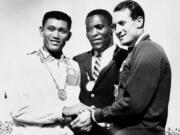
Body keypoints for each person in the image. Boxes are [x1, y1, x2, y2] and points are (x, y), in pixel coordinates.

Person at [67, 1, 172, 135]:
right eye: (115, 26)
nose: (117, 31)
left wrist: (94, 115)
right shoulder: (136, 51)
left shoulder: (148, 50)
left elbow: (133, 104)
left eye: (122, 24)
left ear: (139, 21)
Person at [7, 11, 80, 135]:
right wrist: (62, 111)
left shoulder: (73, 66)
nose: (56, 35)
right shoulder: (23, 63)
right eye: (51, 29)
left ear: (69, 35)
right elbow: (17, 110)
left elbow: (73, 104)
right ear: (41, 31)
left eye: (62, 31)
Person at [63, 9, 127, 135]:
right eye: (89, 29)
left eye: (99, 27)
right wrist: (77, 121)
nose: (94, 33)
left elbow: (131, 104)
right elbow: (70, 101)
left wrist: (98, 119)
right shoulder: (77, 61)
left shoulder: (127, 58)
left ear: (112, 28)